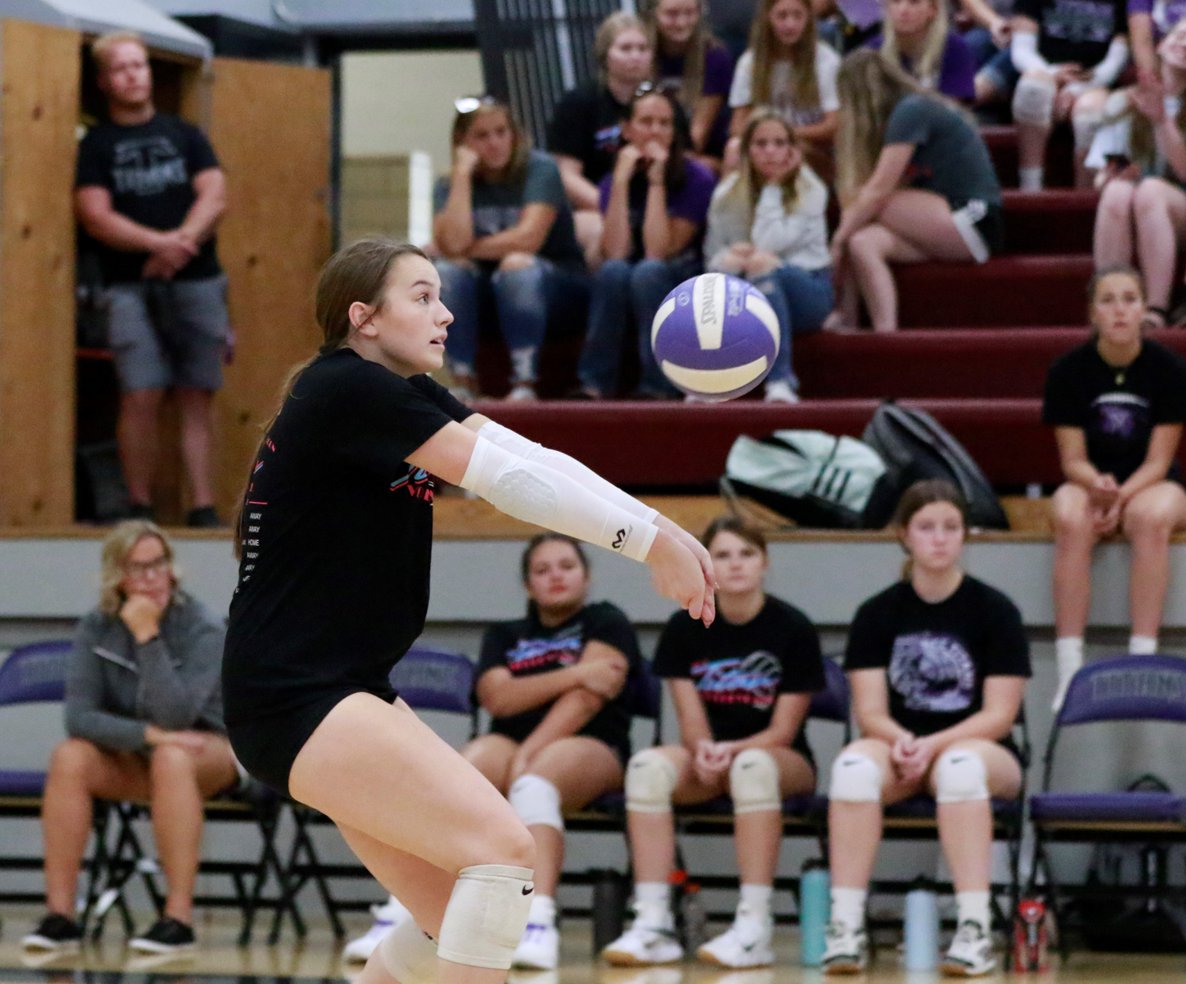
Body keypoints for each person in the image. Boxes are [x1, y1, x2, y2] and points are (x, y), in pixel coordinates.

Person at [220, 238, 714, 984]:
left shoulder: (398, 393)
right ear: (365, 318)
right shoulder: (346, 390)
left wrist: (663, 529)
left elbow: (535, 460)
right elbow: (507, 486)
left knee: (451, 916)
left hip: (326, 693)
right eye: (422, 296)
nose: (446, 313)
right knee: (505, 852)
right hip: (298, 696)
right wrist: (647, 545)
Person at [344, 534, 642, 970]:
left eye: (565, 566)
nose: (555, 576)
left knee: (535, 785)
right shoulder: (506, 633)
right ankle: (407, 905)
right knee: (462, 770)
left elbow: (591, 698)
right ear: (527, 586)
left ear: (587, 576)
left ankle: (538, 922)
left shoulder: (607, 622)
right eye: (542, 570)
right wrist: (576, 672)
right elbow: (497, 699)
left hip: (590, 744)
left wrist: (534, 745)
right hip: (509, 740)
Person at [821, 480, 1031, 977]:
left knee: (959, 768)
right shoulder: (877, 613)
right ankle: (845, 926)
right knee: (851, 769)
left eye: (951, 528)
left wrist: (932, 744)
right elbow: (869, 712)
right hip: (899, 745)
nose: (939, 538)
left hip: (981, 750)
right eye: (927, 527)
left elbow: (1000, 714)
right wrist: (901, 742)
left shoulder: (996, 611)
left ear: (965, 535)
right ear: (904, 535)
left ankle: (974, 929)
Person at [601, 517, 825, 969]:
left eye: (747, 554)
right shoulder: (686, 625)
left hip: (780, 759)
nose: (736, 564)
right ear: (706, 564)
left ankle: (754, 925)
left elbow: (784, 729)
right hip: (707, 759)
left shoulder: (793, 628)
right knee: (646, 768)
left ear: (765, 563)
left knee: (753, 768)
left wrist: (733, 752)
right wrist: (705, 749)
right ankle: (653, 922)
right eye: (723, 554)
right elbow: (690, 718)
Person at [21, 520, 237, 955]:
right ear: (116, 577)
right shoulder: (95, 628)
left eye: (158, 564)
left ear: (172, 569)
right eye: (138, 569)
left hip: (209, 751)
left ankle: (178, 919)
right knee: (70, 757)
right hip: (141, 750)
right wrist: (149, 735)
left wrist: (147, 637)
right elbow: (79, 718)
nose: (151, 578)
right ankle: (60, 916)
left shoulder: (204, 626)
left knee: (172, 759)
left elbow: (177, 716)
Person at [75, 31, 230, 528]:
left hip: (198, 280)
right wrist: (156, 245)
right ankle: (139, 506)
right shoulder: (98, 144)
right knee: (140, 393)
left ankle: (202, 505)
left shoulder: (183, 133)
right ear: (104, 81)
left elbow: (215, 194)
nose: (133, 75)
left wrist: (180, 242)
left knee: (196, 393)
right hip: (128, 287)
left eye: (139, 65)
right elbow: (94, 215)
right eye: (121, 68)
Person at [1042, 266, 1186, 711]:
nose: (1119, 310)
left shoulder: (1169, 369)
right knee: (1071, 515)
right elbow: (1071, 460)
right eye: (1108, 300)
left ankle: (1141, 661)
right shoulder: (1068, 370)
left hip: (1151, 483)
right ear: (1092, 312)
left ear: (1145, 309)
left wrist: (1120, 496)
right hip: (1090, 479)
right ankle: (1070, 669)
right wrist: (1097, 486)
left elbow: (1159, 461)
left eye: (1130, 299)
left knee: (1148, 518)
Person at [826, 50, 1003, 332]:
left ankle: (843, 306)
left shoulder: (912, 109)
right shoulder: (899, 116)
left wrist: (837, 239)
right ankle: (879, 329)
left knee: (870, 205)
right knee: (863, 242)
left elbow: (878, 192)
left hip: (974, 219)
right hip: (940, 221)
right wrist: (848, 237)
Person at [432, 97, 587, 400]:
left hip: (557, 287)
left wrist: (464, 247)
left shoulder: (539, 168)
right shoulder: (449, 182)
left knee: (517, 265)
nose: (494, 143)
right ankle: (463, 380)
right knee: (447, 272)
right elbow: (450, 248)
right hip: (488, 290)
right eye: (482, 135)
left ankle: (525, 382)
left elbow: (528, 240)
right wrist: (462, 174)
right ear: (462, 141)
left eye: (501, 132)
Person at [575, 85, 716, 399]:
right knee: (613, 271)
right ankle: (594, 384)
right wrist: (622, 182)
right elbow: (615, 251)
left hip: (685, 277)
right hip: (634, 274)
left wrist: (655, 182)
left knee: (648, 272)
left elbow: (660, 251)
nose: (655, 131)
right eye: (646, 122)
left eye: (664, 123)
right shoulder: (614, 180)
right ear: (626, 130)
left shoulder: (697, 177)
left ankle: (659, 386)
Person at [705, 108, 834, 401]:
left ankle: (780, 380)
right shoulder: (727, 193)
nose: (771, 152)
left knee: (763, 266)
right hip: (750, 287)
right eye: (761, 144)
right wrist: (729, 255)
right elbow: (711, 256)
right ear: (747, 150)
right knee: (725, 270)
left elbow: (768, 242)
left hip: (809, 290)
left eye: (780, 143)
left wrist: (774, 188)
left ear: (793, 149)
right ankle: (710, 376)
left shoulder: (811, 189)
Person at [1090, 19, 1186, 329]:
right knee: (1116, 192)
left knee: (1150, 188)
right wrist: (1115, 175)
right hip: (1137, 204)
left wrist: (1161, 119)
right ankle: (1110, 301)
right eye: (1181, 36)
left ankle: (1156, 308)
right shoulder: (1123, 101)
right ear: (1161, 45)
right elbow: (1104, 170)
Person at [547, 12, 655, 262]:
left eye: (642, 48)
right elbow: (566, 175)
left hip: (653, 204)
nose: (636, 56)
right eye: (626, 48)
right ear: (605, 55)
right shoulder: (580, 102)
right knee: (602, 233)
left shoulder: (662, 102)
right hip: (594, 206)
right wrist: (612, 205)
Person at [1008, 0, 1129, 190]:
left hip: (1094, 82)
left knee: (1091, 114)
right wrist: (1053, 75)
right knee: (1033, 88)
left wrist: (1077, 88)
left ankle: (1084, 201)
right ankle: (1030, 187)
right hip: (1044, 72)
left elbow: (1115, 61)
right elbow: (1021, 50)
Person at [727, 0, 842, 178]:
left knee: (790, 151)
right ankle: (733, 204)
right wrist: (768, 140)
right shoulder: (749, 62)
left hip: (812, 148)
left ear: (808, 19)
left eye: (797, 16)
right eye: (782, 16)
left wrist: (782, 135)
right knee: (734, 148)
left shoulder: (826, 60)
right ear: (768, 17)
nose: (790, 24)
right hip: (763, 144)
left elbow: (833, 125)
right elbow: (737, 125)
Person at [647, 0, 737, 167]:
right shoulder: (641, 52)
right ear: (654, 14)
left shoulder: (714, 56)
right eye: (671, 14)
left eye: (689, 13)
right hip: (651, 148)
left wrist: (663, 158)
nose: (681, 23)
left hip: (700, 153)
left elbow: (696, 139)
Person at [867, 0, 978, 101]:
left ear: (933, 10)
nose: (903, 10)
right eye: (896, 1)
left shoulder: (954, 48)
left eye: (914, 2)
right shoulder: (873, 51)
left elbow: (954, 112)